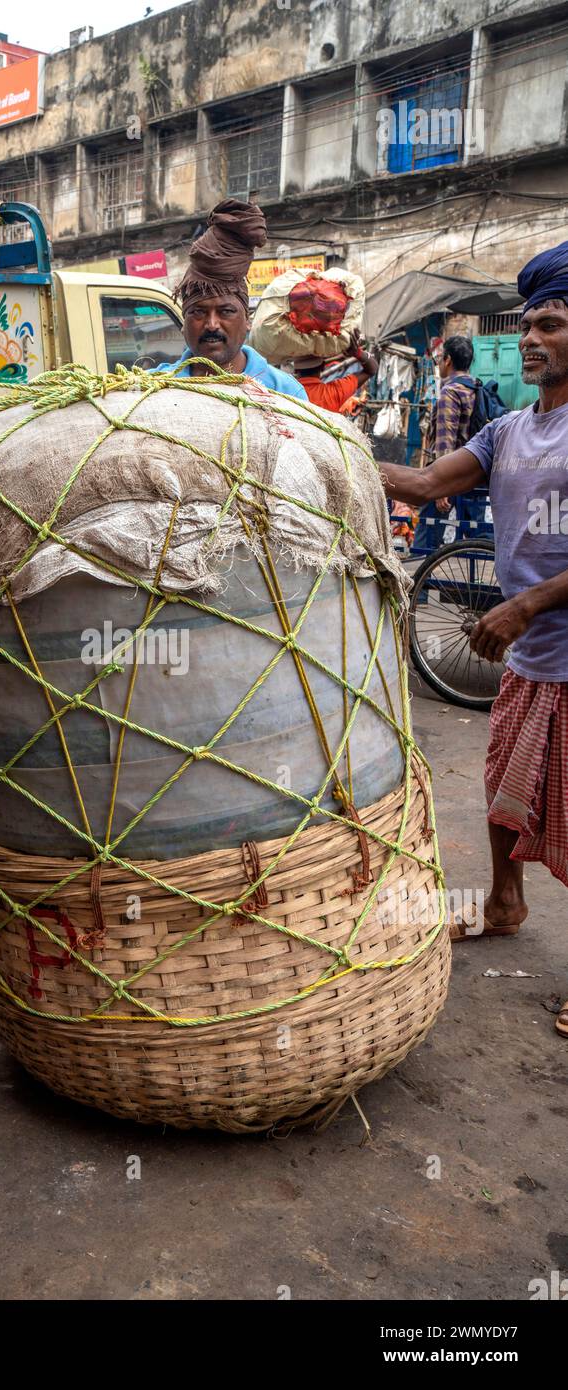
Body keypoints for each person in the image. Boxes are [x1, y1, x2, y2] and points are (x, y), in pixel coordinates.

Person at [376, 241, 568, 1037]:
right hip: (531, 662)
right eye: (527, 325)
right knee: (501, 788)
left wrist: (525, 606)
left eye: (550, 324)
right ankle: (503, 901)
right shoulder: (509, 431)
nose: (531, 338)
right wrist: (321, 445)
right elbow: (423, 483)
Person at [154, 199, 307, 398]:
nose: (211, 325)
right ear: (184, 323)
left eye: (225, 311)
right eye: (198, 312)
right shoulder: (154, 387)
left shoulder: (285, 392)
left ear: (248, 320)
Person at [412, 335, 478, 551]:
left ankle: (420, 583)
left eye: (440, 358)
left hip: (448, 477)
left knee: (426, 538)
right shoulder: (475, 388)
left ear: (448, 360)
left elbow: (444, 441)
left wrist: (440, 487)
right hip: (473, 474)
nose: (439, 363)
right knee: (477, 534)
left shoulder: (450, 392)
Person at [292, 328, 377, 411]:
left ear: (295, 370)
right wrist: (357, 353)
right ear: (322, 367)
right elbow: (371, 370)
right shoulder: (334, 392)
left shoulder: (284, 391)